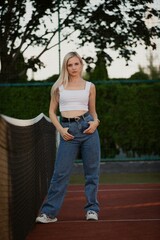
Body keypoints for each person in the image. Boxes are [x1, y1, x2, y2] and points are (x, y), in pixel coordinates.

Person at [36, 51, 101, 223]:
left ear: (81, 64)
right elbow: (51, 112)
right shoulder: (58, 87)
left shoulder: (90, 86)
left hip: (88, 129)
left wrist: (95, 123)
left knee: (92, 173)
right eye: (69, 65)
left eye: (76, 64)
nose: (73, 68)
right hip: (68, 131)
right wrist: (61, 130)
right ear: (66, 67)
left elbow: (93, 111)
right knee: (60, 174)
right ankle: (48, 213)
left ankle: (92, 210)